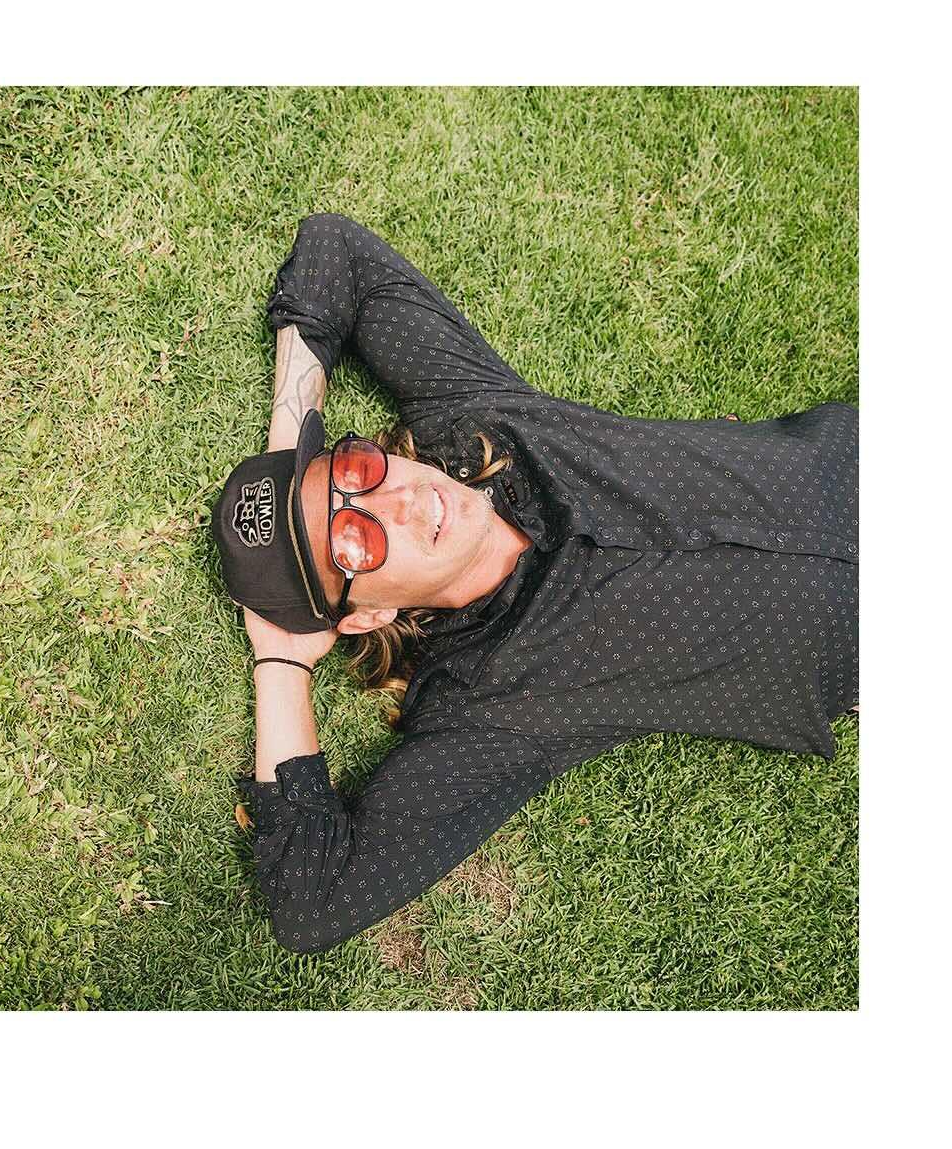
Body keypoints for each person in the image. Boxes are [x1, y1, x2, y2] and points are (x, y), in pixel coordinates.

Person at [212, 213, 858, 955]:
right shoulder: (489, 706)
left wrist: (293, 457)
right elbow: (313, 900)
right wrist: (282, 663)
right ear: (365, 615)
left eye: (359, 473)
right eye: (356, 541)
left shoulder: (478, 421)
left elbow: (335, 250)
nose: (401, 500)